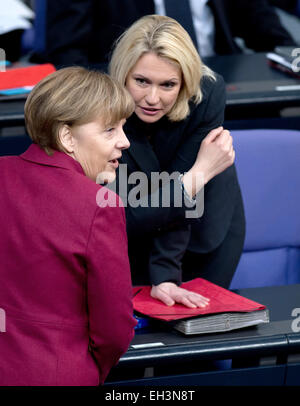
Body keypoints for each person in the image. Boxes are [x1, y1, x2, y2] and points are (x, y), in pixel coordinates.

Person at [0, 67, 137, 386]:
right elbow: (115, 332)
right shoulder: (100, 205)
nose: (125, 142)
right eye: (110, 130)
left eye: (123, 128)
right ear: (67, 136)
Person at [107, 15, 246, 308]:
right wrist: (199, 174)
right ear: (123, 74)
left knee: (202, 335)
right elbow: (126, 217)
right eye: (141, 81)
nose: (152, 98)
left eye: (168, 84)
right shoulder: (104, 102)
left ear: (184, 82)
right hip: (133, 231)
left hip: (201, 227)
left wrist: (166, 274)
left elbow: (181, 193)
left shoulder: (206, 93)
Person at [31, 0, 296, 68]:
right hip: (127, 100)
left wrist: (294, 58)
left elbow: (264, 27)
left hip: (217, 83)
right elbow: (68, 52)